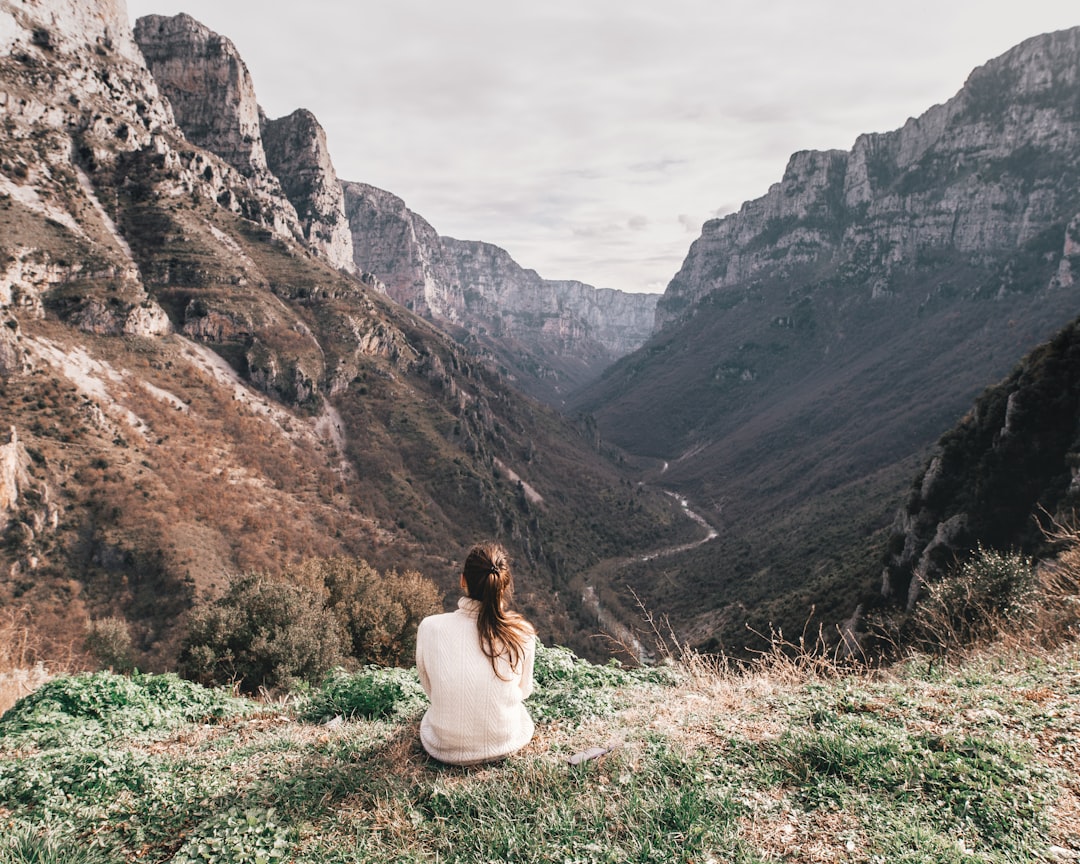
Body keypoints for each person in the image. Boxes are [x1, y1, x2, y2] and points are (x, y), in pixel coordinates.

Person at [415, 542, 536, 765]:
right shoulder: (522, 634)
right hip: (504, 740)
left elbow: (430, 688)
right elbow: (524, 691)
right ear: (504, 585)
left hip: (444, 745)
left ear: (463, 581)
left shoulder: (430, 628)